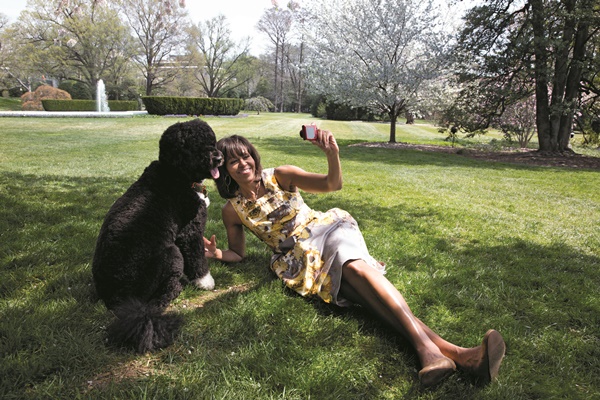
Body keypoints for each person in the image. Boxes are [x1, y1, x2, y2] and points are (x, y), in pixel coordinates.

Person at [203, 129, 506, 387]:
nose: (243, 163)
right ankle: (464, 357)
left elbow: (331, 184)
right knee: (365, 294)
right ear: (224, 170)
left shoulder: (280, 175)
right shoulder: (232, 210)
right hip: (300, 260)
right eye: (233, 160)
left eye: (246, 156)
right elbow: (238, 253)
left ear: (254, 156)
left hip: (326, 231)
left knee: (356, 268)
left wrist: (332, 154)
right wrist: (216, 253)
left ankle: (426, 349)